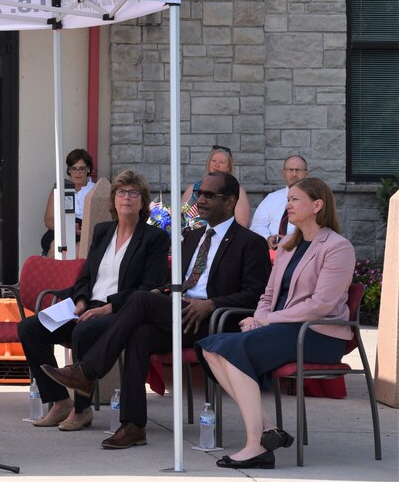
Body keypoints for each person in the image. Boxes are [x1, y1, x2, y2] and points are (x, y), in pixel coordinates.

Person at [42, 171, 270, 449]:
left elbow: (254, 296)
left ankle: (87, 371)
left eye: (210, 195)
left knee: (139, 300)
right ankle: (133, 425)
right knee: (139, 333)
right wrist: (159, 292)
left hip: (214, 320)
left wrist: (211, 304)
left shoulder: (250, 242)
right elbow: (170, 283)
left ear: (231, 201)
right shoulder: (191, 236)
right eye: (200, 194)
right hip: (178, 311)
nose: (201, 200)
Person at [196, 177, 355, 469]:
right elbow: (268, 293)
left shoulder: (337, 247)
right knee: (210, 347)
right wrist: (258, 318)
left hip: (317, 334)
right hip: (283, 329)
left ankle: (256, 445)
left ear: (317, 205)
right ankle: (267, 431)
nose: (288, 205)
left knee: (230, 350)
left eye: (295, 199)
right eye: (288, 199)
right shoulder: (288, 246)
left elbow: (321, 305)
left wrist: (269, 319)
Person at [20, 170, 170, 430]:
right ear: (113, 200)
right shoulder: (103, 232)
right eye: (121, 192)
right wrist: (79, 300)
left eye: (134, 193)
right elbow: (87, 276)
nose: (127, 198)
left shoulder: (153, 239)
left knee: (83, 331)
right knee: (30, 329)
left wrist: (108, 308)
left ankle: (82, 409)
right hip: (87, 306)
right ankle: (59, 400)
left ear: (143, 202)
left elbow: (149, 288)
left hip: (120, 311)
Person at [40, 148, 95, 256]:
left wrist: (82, 231)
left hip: (84, 233)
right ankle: (53, 271)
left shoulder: (96, 190)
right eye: (73, 169)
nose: (77, 173)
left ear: (88, 169)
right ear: (69, 170)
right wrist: (68, 228)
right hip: (60, 229)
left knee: (68, 250)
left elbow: (103, 221)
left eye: (81, 169)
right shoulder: (60, 189)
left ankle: (60, 270)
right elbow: (48, 219)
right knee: (57, 246)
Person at [250, 155, 309, 250]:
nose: (294, 174)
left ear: (306, 173)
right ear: (283, 173)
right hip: (272, 253)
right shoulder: (271, 198)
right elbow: (257, 226)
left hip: (301, 250)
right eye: (290, 170)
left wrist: (291, 240)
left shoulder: (313, 199)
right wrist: (267, 238)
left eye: (298, 170)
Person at [182, 145, 250, 226]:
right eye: (213, 161)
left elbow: (242, 223)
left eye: (221, 162)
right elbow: (181, 216)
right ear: (209, 163)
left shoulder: (237, 191)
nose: (216, 165)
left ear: (228, 167)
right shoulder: (193, 188)